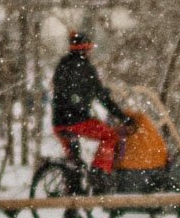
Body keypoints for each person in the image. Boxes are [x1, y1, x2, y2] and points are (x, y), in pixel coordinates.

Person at [51, 32, 130, 177]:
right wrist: (123, 117)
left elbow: (63, 91)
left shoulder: (62, 65)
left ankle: (73, 188)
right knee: (110, 136)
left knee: (74, 162)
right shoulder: (87, 69)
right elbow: (103, 98)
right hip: (78, 122)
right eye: (89, 49)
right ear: (85, 49)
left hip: (59, 123)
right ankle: (98, 172)